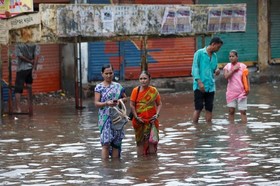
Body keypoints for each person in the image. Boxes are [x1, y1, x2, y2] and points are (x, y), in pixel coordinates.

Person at [94, 64, 128, 159]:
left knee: (116, 144)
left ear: (113, 73)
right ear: (102, 74)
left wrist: (119, 101)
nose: (108, 75)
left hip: (117, 118)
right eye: (106, 73)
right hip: (105, 119)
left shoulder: (118, 86)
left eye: (110, 73)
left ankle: (115, 168)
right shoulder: (99, 87)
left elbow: (125, 98)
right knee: (106, 144)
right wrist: (106, 103)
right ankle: (105, 169)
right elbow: (96, 103)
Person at [130, 71, 162, 156]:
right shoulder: (135, 91)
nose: (143, 81)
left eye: (145, 78)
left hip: (152, 121)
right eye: (141, 79)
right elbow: (132, 105)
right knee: (140, 142)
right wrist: (136, 117)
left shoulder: (153, 91)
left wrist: (157, 114)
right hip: (139, 121)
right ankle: (141, 163)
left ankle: (150, 164)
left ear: (149, 79)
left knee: (151, 141)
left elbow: (159, 104)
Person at [191, 37, 223, 123]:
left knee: (209, 108)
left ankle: (209, 129)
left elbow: (214, 68)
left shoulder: (214, 56)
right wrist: (199, 82)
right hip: (199, 86)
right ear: (213, 44)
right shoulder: (199, 53)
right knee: (198, 108)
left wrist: (216, 70)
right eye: (218, 47)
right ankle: (196, 129)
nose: (218, 49)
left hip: (210, 86)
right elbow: (195, 68)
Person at [223, 50, 250, 124]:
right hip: (231, 92)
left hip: (242, 92)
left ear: (237, 57)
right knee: (231, 111)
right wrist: (233, 69)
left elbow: (247, 77)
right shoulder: (227, 66)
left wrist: (248, 88)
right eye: (230, 56)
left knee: (243, 111)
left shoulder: (243, 66)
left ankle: (244, 129)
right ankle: (231, 128)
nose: (231, 58)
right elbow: (226, 76)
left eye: (233, 56)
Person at [14, 43, 40, 113]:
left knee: (18, 90)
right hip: (30, 69)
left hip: (21, 69)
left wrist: (29, 61)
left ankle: (18, 109)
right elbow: (37, 56)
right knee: (29, 88)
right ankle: (30, 108)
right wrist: (34, 68)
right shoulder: (34, 42)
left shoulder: (18, 43)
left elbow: (19, 55)